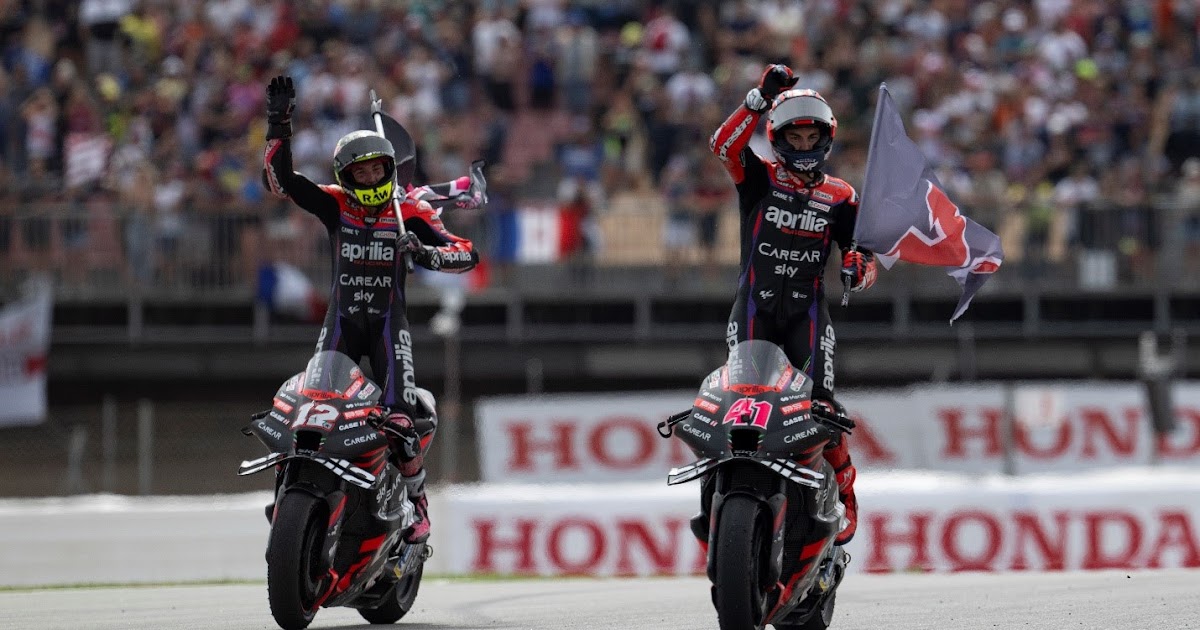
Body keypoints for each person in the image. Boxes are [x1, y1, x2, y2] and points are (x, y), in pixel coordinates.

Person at [261, 75, 479, 543]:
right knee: (309, 413)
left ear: (391, 169)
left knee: (400, 422)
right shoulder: (335, 204)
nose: (371, 178)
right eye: (361, 173)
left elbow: (466, 253)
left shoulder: (410, 212)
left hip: (387, 328)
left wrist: (425, 253)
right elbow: (282, 182)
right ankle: (288, 492)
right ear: (346, 176)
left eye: (379, 169)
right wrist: (279, 122)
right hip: (340, 324)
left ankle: (417, 502)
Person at [700, 64, 878, 547]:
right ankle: (724, 490)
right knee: (738, 400)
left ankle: (845, 492)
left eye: (810, 137)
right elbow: (723, 146)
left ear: (826, 138)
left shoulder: (841, 195)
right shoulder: (758, 177)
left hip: (808, 315)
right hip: (753, 310)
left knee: (823, 408)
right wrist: (758, 98)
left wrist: (857, 268)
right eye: (794, 137)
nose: (803, 145)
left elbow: (863, 256)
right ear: (777, 139)